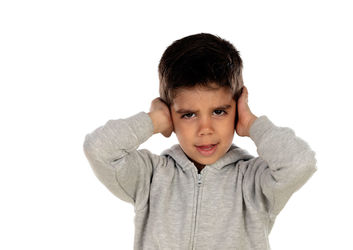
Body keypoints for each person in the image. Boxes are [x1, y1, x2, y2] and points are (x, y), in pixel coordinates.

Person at [83, 33, 317, 250]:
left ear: (237, 108)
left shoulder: (254, 182)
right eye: (188, 115)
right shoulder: (151, 177)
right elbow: (99, 148)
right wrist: (153, 120)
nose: (205, 129)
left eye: (218, 112)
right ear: (171, 115)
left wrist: (252, 124)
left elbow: (300, 163)